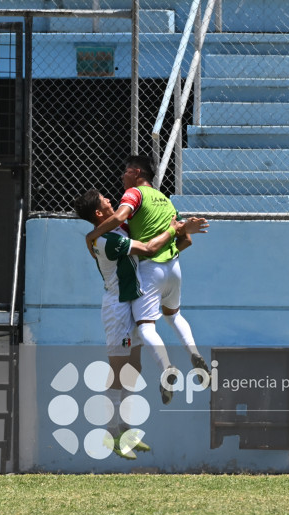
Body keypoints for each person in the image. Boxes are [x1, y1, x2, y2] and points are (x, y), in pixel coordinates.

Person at [74, 188, 208, 458]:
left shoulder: (113, 230)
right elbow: (149, 248)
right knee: (117, 370)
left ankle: (124, 429)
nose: (110, 199)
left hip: (131, 304)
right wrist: (173, 230)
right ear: (99, 212)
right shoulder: (107, 240)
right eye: (104, 200)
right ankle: (111, 433)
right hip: (118, 310)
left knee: (133, 368)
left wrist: (182, 229)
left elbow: (154, 239)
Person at [84, 155, 211, 400]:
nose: (122, 177)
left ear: (136, 172)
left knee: (145, 327)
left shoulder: (134, 194)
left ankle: (167, 369)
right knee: (174, 316)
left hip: (149, 270)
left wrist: (91, 235)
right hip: (174, 266)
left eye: (125, 172)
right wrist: (174, 240)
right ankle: (194, 353)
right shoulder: (166, 201)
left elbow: (121, 218)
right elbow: (186, 239)